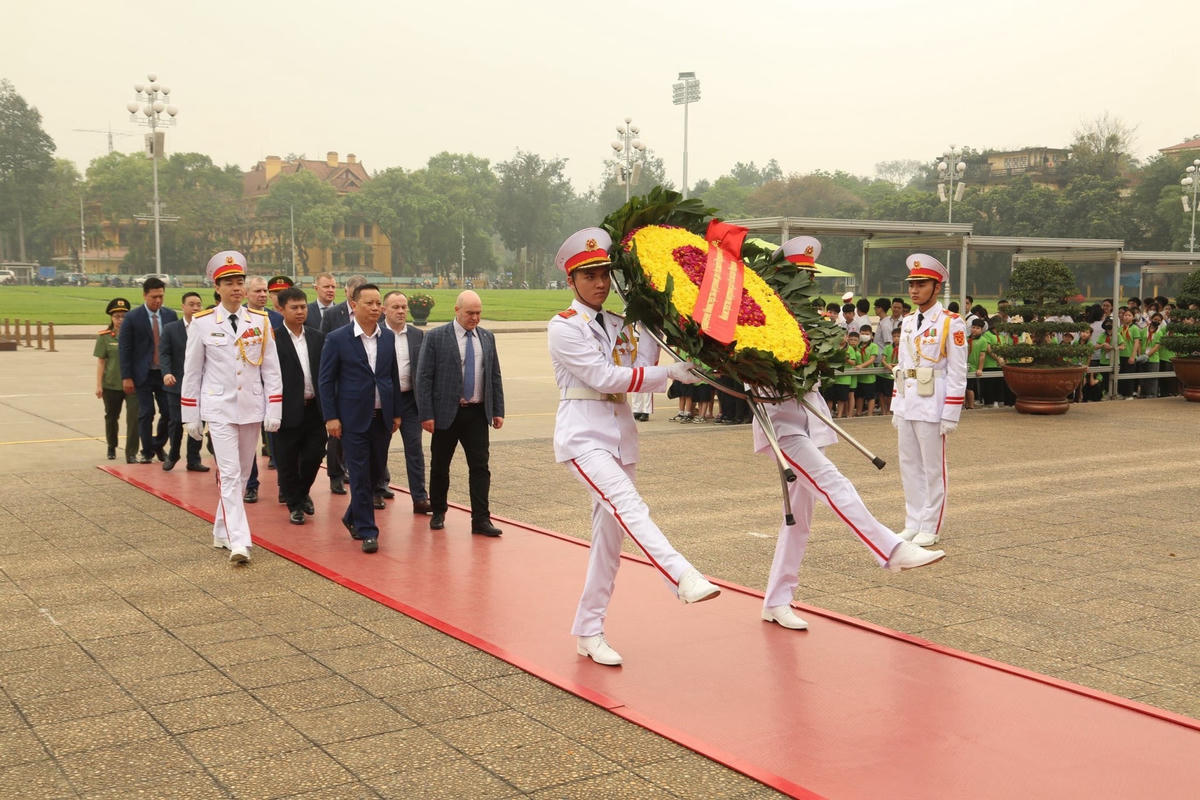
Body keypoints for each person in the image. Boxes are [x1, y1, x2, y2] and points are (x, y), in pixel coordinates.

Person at [550, 227, 721, 666]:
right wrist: (671, 375)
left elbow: (641, 367)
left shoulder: (617, 324)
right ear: (571, 281)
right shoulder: (564, 327)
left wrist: (651, 318)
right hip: (584, 437)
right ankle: (680, 575)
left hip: (621, 437)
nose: (599, 283)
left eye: (605, 273)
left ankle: (589, 630)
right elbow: (605, 378)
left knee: (609, 542)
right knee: (629, 505)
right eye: (588, 276)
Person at [181, 251, 282, 564]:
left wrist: (274, 408)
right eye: (230, 283)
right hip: (220, 409)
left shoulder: (261, 322)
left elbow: (271, 370)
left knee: (243, 472)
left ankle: (222, 530)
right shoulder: (202, 324)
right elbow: (192, 372)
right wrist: (190, 414)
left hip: (250, 406)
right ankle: (241, 541)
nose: (237, 288)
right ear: (217, 288)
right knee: (229, 473)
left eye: (240, 282)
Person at [318, 283, 403, 553]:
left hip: (382, 417)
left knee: (377, 471)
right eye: (370, 303)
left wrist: (397, 412)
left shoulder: (388, 338)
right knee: (359, 474)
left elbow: (393, 377)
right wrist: (331, 417)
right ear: (354, 305)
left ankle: (350, 516)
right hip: (352, 418)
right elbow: (326, 380)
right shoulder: (338, 338)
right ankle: (368, 530)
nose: (376, 308)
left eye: (379, 303)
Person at [890, 253, 967, 548]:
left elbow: (958, 372)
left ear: (936, 288)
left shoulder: (951, 323)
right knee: (909, 464)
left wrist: (951, 413)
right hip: (909, 400)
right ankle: (912, 522)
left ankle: (931, 525)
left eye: (921, 284)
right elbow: (902, 366)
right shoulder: (909, 321)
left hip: (933, 402)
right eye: (911, 284)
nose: (913, 290)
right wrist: (897, 404)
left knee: (933, 468)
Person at [415, 290, 505, 537]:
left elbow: (494, 375)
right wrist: (426, 414)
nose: (475, 318)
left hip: (477, 414)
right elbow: (424, 377)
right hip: (446, 413)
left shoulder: (487, 337)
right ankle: (439, 511)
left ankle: (481, 519)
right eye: (470, 313)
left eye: (478, 313)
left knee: (480, 467)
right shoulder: (436, 337)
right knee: (440, 466)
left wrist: (497, 410)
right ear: (457, 310)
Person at [273, 287, 327, 526]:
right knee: (286, 460)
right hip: (285, 410)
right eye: (294, 307)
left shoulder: (317, 337)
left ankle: (302, 492)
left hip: (315, 408)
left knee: (314, 455)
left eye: (303, 306)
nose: (300, 311)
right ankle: (295, 505)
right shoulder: (273, 338)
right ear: (280, 309)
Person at [378, 291, 432, 515]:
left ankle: (420, 497)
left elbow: (426, 371)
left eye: (403, 307)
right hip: (384, 401)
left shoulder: (418, 335)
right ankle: (378, 488)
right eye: (395, 307)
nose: (401, 311)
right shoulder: (377, 334)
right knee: (379, 448)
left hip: (410, 401)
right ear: (384, 310)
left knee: (414, 449)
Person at [118, 276, 178, 463]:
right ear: (145, 295)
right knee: (146, 413)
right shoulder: (132, 317)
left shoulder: (170, 315)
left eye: (161, 296)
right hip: (142, 374)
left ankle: (157, 444)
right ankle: (147, 452)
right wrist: (126, 377)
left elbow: (173, 346)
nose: (158, 300)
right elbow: (125, 349)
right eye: (154, 297)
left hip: (164, 373)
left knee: (168, 412)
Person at [320, 275, 366, 496]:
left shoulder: (373, 314)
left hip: (363, 385)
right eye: (354, 290)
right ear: (347, 291)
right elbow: (324, 346)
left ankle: (360, 474)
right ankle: (336, 475)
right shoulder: (332, 314)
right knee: (337, 435)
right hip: (339, 383)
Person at [159, 291, 208, 472]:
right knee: (177, 422)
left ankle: (193, 459)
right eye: (191, 304)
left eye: (198, 304)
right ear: (183, 307)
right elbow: (164, 353)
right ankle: (173, 454)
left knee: (199, 423)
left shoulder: (206, 328)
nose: (196, 308)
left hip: (201, 386)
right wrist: (167, 373)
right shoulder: (172, 329)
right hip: (177, 385)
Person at [94, 298, 140, 463]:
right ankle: (111, 445)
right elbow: (101, 362)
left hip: (133, 384)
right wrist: (99, 385)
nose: (120, 320)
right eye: (117, 317)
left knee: (134, 418)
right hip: (111, 384)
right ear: (111, 318)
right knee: (111, 417)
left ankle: (132, 452)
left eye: (124, 316)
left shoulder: (136, 336)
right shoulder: (105, 337)